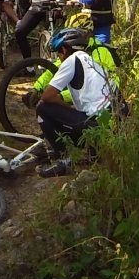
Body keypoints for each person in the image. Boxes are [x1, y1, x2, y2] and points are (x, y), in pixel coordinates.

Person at [33, 26, 121, 178]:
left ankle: (64, 160)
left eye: (59, 52)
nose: (59, 57)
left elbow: (47, 96)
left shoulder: (72, 60)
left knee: (42, 108)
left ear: (65, 49)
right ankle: (91, 151)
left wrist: (66, 106)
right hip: (112, 123)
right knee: (73, 115)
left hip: (95, 126)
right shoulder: (91, 60)